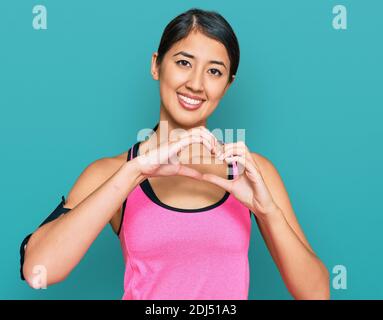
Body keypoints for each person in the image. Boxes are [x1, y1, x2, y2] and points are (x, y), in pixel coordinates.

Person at [20, 8, 330, 300]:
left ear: (228, 84)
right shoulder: (113, 172)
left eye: (214, 71)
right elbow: (38, 271)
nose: (196, 84)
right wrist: (134, 173)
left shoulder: (251, 172)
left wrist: (268, 212)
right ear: (156, 65)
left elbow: (316, 292)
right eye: (183, 62)